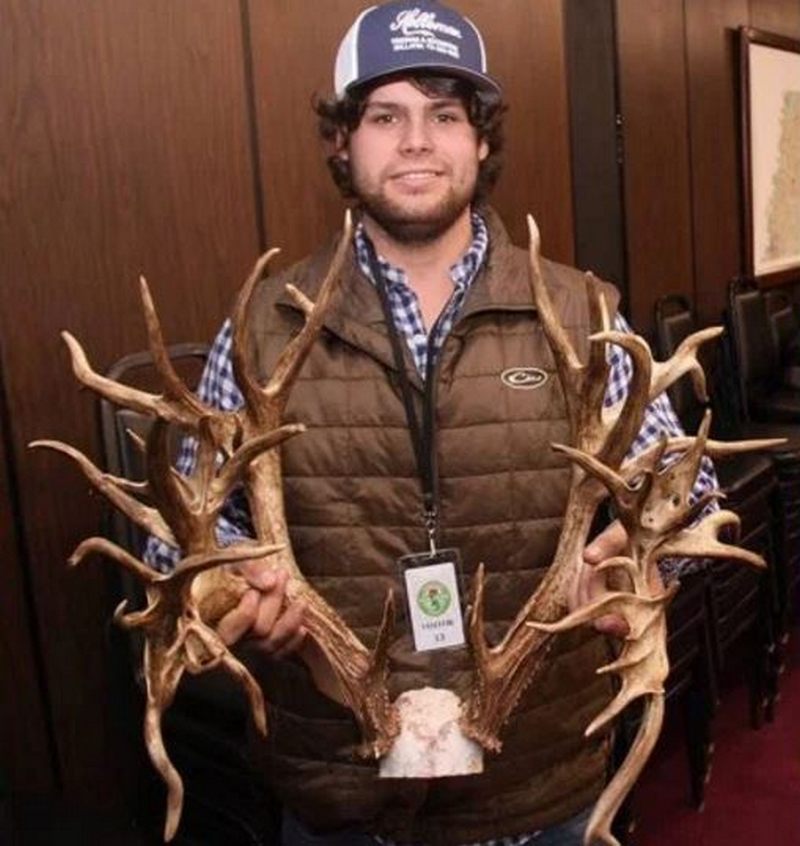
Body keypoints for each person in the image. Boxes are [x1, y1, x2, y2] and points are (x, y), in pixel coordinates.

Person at [146, 2, 716, 843]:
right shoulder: (263, 324)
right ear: (343, 141)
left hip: (540, 780)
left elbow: (686, 498)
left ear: (480, 140)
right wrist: (232, 592)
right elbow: (180, 552)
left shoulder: (582, 311)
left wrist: (637, 566)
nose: (416, 141)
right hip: (339, 788)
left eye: (444, 114)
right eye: (385, 116)